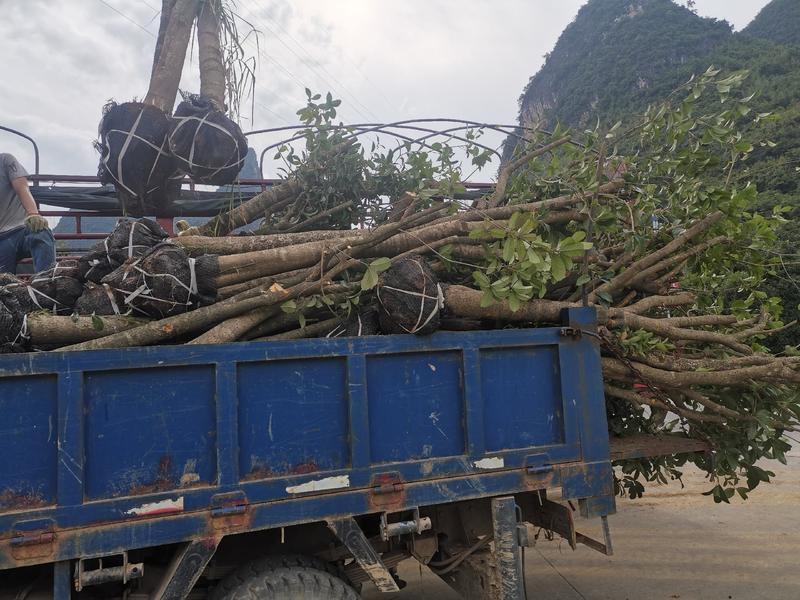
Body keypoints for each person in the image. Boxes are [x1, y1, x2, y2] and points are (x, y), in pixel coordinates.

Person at [0, 153, 55, 274]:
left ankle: (45, 281)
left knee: (40, 231)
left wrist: (33, 213)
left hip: (19, 232)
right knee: (4, 287)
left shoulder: (5, 160)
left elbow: (22, 187)